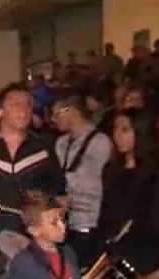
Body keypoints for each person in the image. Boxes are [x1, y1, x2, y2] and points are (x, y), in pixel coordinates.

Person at [0, 82, 66, 268]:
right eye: (15, 104)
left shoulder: (43, 149)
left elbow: (60, 194)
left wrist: (55, 214)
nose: (23, 109)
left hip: (37, 241)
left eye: (28, 104)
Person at [97, 109, 159, 275]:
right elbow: (105, 211)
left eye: (125, 129)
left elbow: (155, 218)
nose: (117, 135)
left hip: (144, 252)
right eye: (116, 129)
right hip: (112, 250)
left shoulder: (156, 172)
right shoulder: (111, 169)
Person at [52, 92, 112, 269]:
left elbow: (94, 183)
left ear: (71, 110)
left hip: (88, 221)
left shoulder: (100, 141)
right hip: (63, 223)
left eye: (57, 114)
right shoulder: (60, 143)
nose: (53, 120)